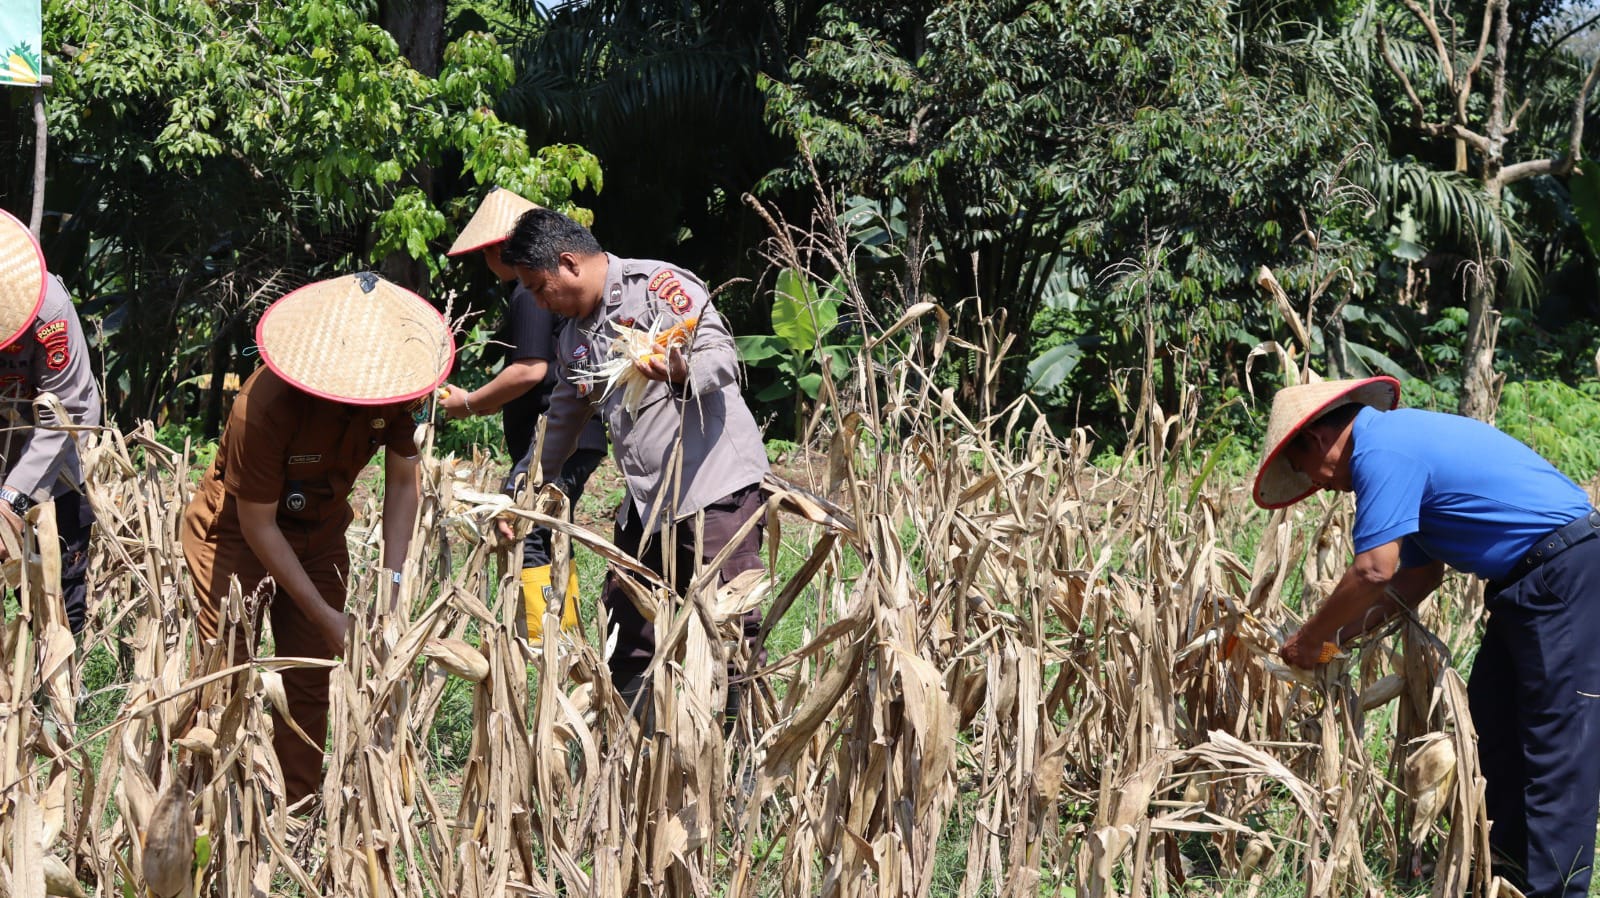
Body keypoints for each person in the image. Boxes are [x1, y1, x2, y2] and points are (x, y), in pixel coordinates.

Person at [1256, 376, 1600, 898]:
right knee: (1496, 727)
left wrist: (1309, 637)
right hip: (1528, 586)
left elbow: (1373, 570)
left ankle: (1556, 892)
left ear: (1316, 439)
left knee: (1556, 746)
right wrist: (1332, 645)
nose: (1319, 485)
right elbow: (1416, 579)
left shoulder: (1382, 452)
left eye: (1304, 469)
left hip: (1563, 575)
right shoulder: (1394, 447)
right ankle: (1505, 876)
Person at [181, 272, 452, 805]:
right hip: (236, 531)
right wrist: (329, 618)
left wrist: (392, 592)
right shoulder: (263, 406)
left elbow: (403, 484)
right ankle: (201, 806)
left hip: (322, 526)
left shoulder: (404, 390)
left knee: (309, 676)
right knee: (223, 672)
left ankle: (295, 812)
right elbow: (257, 524)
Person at [500, 207, 769, 712]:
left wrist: (679, 369)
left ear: (568, 264)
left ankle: (743, 762)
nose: (537, 302)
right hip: (648, 503)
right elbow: (562, 416)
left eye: (538, 288)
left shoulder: (658, 287)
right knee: (626, 629)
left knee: (731, 630)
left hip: (716, 489)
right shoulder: (574, 337)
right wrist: (528, 492)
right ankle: (632, 755)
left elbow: (721, 355)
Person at [439, 187, 607, 639]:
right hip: (564, 437)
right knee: (544, 528)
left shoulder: (525, 294)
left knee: (531, 529)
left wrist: (469, 402)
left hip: (557, 437)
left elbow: (530, 370)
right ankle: (556, 638)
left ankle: (550, 643)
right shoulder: (533, 293)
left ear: (500, 250)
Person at [0, 208, 101, 635]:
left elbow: (68, 413)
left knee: (54, 600)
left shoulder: (48, 312)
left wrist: (11, 500)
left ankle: (54, 695)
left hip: (51, 462)